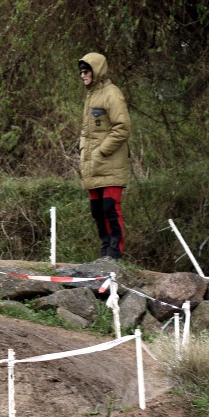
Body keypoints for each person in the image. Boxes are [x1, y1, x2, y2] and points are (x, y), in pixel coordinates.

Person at [77, 52, 132, 262]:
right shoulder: (90, 96)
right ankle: (104, 253)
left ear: (96, 70)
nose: (83, 75)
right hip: (93, 165)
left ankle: (114, 254)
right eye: (81, 72)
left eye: (86, 71)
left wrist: (101, 151)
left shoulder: (112, 94)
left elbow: (123, 127)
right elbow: (87, 131)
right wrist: (84, 151)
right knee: (97, 212)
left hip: (110, 163)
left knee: (110, 209)